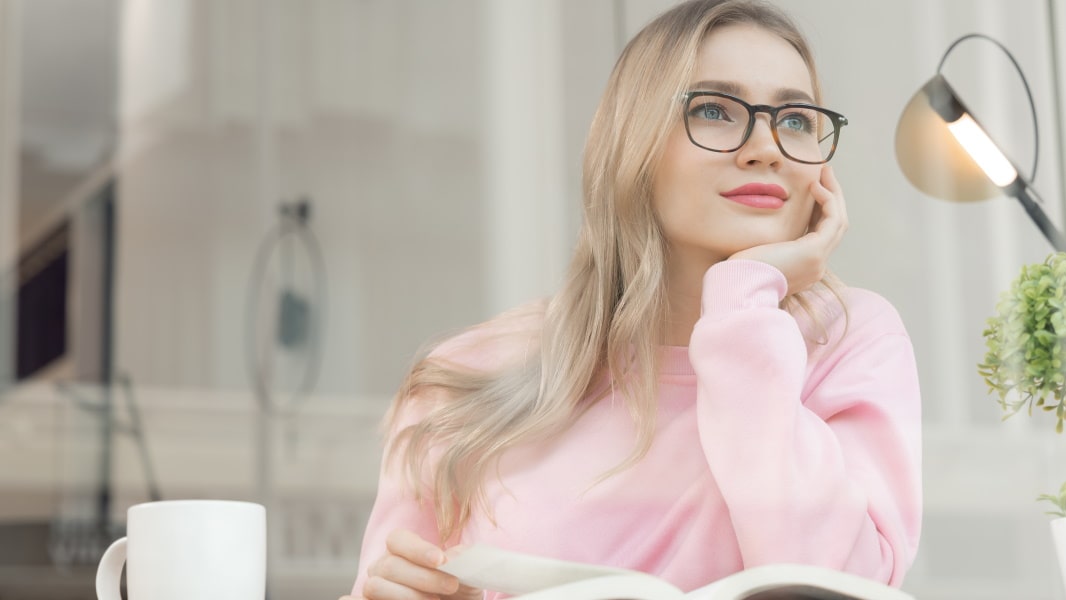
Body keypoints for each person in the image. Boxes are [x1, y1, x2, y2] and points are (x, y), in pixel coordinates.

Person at [342, 1, 921, 598]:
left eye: (796, 120)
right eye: (715, 110)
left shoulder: (849, 341)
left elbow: (843, 587)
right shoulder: (465, 377)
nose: (767, 146)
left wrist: (744, 305)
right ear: (634, 145)